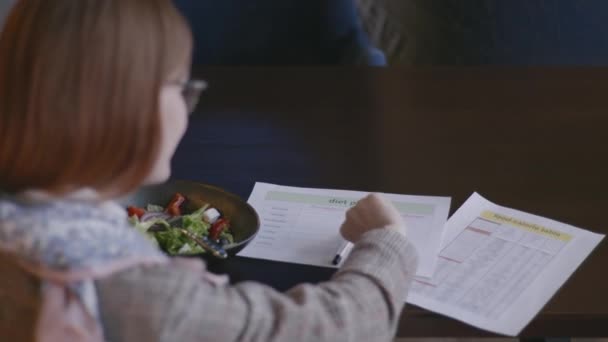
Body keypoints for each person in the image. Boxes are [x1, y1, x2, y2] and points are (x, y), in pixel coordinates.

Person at [0, 1, 417, 341]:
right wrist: (386, 242)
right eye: (181, 87)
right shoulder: (140, 297)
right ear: (129, 105)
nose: (185, 108)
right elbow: (336, 328)